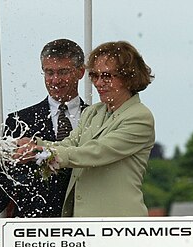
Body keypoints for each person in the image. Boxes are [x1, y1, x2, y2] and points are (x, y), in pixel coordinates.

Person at [15, 41, 155, 217]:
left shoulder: (140, 117)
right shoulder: (92, 112)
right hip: (83, 224)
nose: (98, 83)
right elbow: (69, 143)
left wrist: (42, 152)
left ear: (128, 77)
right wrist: (33, 143)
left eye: (106, 76)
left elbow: (95, 152)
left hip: (120, 224)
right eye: (94, 76)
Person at [0, 38, 86, 218]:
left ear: (80, 72)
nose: (55, 80)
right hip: (31, 229)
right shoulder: (19, 121)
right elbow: (4, 178)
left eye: (63, 72)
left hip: (86, 226)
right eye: (49, 72)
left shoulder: (97, 119)